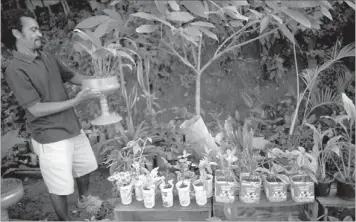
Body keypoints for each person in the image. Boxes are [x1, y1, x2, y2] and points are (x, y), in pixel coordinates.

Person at [4, 9, 101, 221]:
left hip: (71, 127)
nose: (40, 33)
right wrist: (75, 101)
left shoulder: (46, 56)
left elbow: (72, 76)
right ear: (17, 33)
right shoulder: (15, 69)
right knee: (59, 185)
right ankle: (64, 220)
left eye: (38, 28)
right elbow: (35, 109)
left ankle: (85, 201)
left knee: (85, 167)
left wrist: (98, 81)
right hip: (49, 135)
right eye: (34, 29)